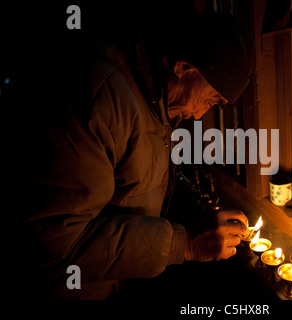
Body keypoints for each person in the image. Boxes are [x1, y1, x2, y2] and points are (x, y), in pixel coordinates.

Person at [7, 9, 252, 299]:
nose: (200, 116)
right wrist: (183, 244)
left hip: (114, 282)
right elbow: (55, 245)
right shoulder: (100, 96)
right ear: (184, 67)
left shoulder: (157, 101)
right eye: (210, 100)